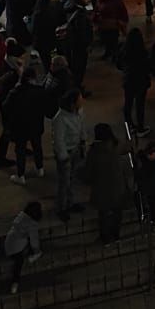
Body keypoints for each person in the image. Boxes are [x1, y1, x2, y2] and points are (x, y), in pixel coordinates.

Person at [87, 123, 133, 244]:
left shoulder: (94, 151)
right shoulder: (115, 146)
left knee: (104, 215)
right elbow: (128, 147)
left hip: (102, 189)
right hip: (118, 187)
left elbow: (89, 172)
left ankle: (105, 238)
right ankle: (116, 235)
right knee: (117, 213)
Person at [50, 89, 87, 221]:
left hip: (75, 149)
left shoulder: (78, 113)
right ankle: (61, 208)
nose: (82, 101)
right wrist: (64, 157)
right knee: (64, 181)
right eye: (80, 99)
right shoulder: (60, 119)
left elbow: (82, 127)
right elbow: (58, 140)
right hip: (66, 153)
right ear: (73, 103)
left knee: (72, 179)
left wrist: (83, 142)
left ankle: (70, 202)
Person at [4, 201, 44, 293]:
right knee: (19, 262)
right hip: (16, 250)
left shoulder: (21, 216)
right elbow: (34, 242)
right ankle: (15, 283)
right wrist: (37, 252)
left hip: (8, 244)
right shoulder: (31, 225)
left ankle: (15, 283)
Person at [120, 27, 152, 130]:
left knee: (128, 103)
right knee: (140, 105)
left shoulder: (124, 50)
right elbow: (148, 66)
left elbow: (118, 63)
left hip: (129, 79)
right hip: (141, 80)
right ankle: (140, 127)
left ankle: (129, 125)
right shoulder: (143, 51)